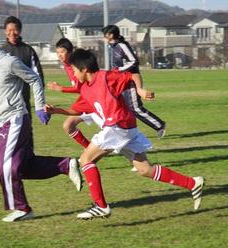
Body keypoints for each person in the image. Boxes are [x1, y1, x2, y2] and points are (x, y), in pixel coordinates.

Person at [45, 49, 204, 220]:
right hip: (125, 128)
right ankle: (192, 183)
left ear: (84, 69)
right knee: (145, 169)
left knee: (86, 159)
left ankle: (101, 206)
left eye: (75, 70)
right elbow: (75, 110)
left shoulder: (105, 77)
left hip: (118, 125)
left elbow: (131, 75)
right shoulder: (86, 90)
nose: (74, 75)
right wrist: (56, 111)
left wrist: (140, 90)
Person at [0, 21, 82, 222]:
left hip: (16, 119)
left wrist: (40, 107)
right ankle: (65, 165)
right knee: (22, 167)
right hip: (1, 123)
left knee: (3, 166)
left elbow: (34, 79)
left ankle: (22, 208)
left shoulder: (7, 61)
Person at [102, 25, 166, 138]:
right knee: (120, 106)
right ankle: (122, 131)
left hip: (130, 80)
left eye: (105, 34)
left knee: (135, 107)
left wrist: (119, 70)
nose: (103, 36)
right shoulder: (112, 46)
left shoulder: (122, 45)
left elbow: (134, 61)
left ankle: (160, 125)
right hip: (120, 81)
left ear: (111, 35)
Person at [1, 16, 45, 149]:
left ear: (20, 31)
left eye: (15, 30)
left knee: (26, 130)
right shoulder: (0, 52)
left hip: (24, 100)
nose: (12, 33)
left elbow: (38, 76)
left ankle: (29, 157)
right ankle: (5, 159)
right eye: (9, 30)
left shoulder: (28, 50)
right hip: (5, 102)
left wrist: (40, 103)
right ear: (4, 31)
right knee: (5, 131)